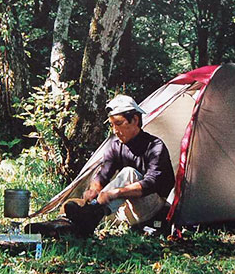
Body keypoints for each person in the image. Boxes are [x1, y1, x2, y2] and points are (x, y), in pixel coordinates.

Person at [64, 94, 175, 237]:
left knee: (129, 173)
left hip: (154, 210)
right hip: (126, 210)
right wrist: (92, 191)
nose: (115, 130)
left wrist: (115, 192)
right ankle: (75, 222)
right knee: (83, 199)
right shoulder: (115, 145)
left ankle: (91, 216)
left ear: (135, 120)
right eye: (111, 125)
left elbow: (151, 183)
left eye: (119, 123)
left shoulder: (154, 146)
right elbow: (104, 175)